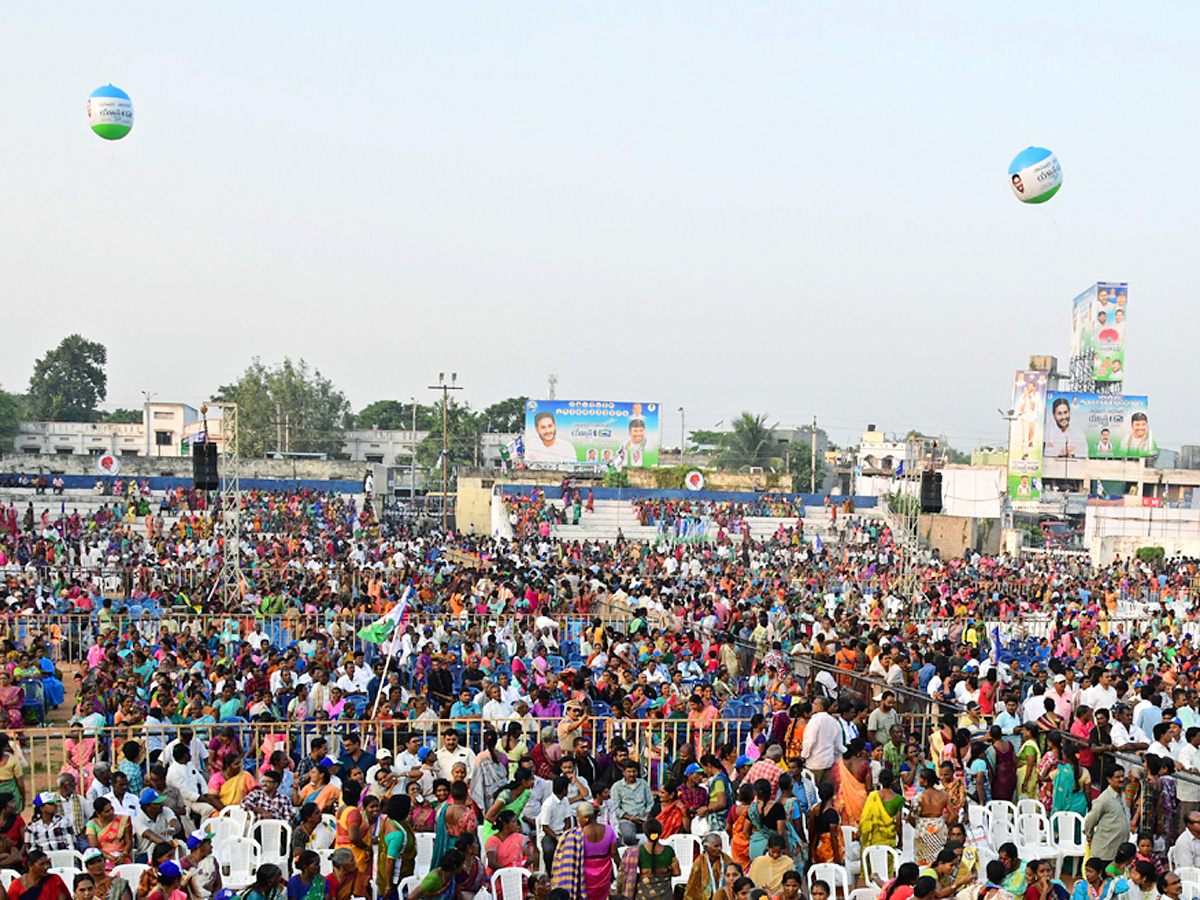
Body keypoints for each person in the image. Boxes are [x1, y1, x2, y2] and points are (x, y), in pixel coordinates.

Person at [1084, 767, 1132, 863]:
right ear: (1109, 779)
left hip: (1119, 849)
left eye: (1122, 776)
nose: (1121, 779)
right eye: (1118, 777)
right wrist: (1089, 835)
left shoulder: (1122, 795)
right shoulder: (1104, 799)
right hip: (1105, 851)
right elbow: (1090, 819)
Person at [377, 795, 416, 900]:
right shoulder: (397, 835)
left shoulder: (389, 820)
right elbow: (390, 860)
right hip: (396, 877)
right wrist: (389, 886)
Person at [632, 819, 678, 900]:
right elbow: (677, 872)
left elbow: (631, 872)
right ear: (660, 832)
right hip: (664, 895)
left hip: (643, 895)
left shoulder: (638, 851)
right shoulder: (669, 850)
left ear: (645, 833)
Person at [911, 768, 949, 866]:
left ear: (926, 782)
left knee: (922, 860)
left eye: (920, 778)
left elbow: (911, 816)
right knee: (938, 859)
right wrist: (945, 826)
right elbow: (953, 815)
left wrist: (916, 825)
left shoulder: (919, 796)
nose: (919, 780)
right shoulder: (944, 795)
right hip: (938, 828)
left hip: (923, 829)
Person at [861, 768, 903, 852]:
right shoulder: (899, 799)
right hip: (889, 838)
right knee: (887, 862)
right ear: (893, 781)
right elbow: (898, 823)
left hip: (873, 836)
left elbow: (865, 817)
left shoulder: (873, 796)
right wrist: (900, 840)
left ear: (879, 780)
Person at [86, 797, 131, 868]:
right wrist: (109, 857)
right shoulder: (92, 824)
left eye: (112, 808)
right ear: (98, 813)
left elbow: (129, 842)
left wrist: (123, 855)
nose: (111, 812)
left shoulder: (123, 820)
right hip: (102, 858)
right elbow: (94, 848)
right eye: (107, 811)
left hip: (122, 856)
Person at [684, 833, 733, 900]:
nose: (719, 849)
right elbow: (693, 885)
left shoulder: (726, 860)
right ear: (706, 847)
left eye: (721, 846)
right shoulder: (699, 862)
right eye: (716, 846)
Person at [483, 810, 527, 878]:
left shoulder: (519, 838)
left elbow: (528, 856)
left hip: (518, 875)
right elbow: (492, 863)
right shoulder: (492, 840)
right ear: (505, 825)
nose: (516, 824)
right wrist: (508, 873)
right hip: (499, 876)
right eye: (513, 822)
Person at [808, 782, 843, 865]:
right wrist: (837, 856)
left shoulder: (815, 809)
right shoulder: (832, 814)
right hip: (828, 849)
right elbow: (833, 837)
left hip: (818, 847)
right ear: (832, 795)